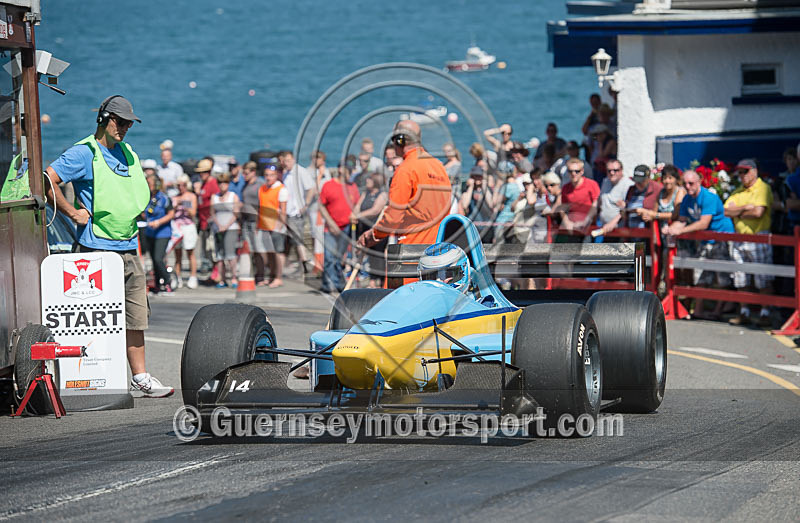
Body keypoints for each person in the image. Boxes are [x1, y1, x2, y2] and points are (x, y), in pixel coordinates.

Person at [44, 95, 173, 397]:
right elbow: (48, 179)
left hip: (128, 245)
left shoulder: (127, 152)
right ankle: (85, 378)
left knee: (135, 316)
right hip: (95, 250)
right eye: (120, 121)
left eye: (129, 123)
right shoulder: (84, 152)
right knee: (90, 318)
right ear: (104, 119)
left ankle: (140, 378)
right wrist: (73, 213)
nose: (125, 128)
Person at [358, 120, 452, 248]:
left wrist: (373, 235)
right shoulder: (438, 166)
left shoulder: (406, 169)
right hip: (439, 247)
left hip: (412, 249)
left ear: (399, 140)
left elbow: (393, 217)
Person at [665, 170, 735, 320]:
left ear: (699, 182)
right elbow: (681, 220)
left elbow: (704, 223)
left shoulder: (709, 197)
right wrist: (671, 228)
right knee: (700, 275)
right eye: (685, 184)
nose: (688, 186)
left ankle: (718, 310)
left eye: (691, 183)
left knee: (722, 276)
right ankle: (698, 310)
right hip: (705, 240)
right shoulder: (687, 200)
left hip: (720, 237)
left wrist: (680, 231)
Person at [724, 159, 774, 326]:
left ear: (754, 171)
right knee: (741, 277)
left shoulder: (763, 188)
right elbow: (726, 211)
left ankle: (765, 313)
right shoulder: (737, 191)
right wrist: (746, 208)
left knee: (763, 277)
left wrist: (737, 211)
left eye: (745, 172)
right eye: (740, 172)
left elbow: (758, 212)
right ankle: (744, 312)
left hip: (758, 236)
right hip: (740, 238)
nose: (742, 176)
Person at [319, 162, 361, 293]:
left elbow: (356, 204)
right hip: (331, 228)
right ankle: (328, 284)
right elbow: (321, 206)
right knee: (329, 257)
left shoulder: (352, 186)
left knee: (339, 259)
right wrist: (331, 223)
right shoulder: (329, 185)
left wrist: (355, 215)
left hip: (346, 227)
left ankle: (338, 283)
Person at [279, 150, 315, 275]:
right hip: (286, 211)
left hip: (296, 212)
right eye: (284, 161)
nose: (286, 163)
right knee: (288, 241)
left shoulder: (300, 172)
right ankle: (287, 266)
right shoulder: (286, 173)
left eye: (288, 161)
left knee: (297, 239)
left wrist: (305, 205)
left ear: (293, 159)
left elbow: (311, 188)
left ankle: (304, 264)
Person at [352, 172, 389, 288]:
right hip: (363, 228)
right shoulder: (366, 193)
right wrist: (354, 214)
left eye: (370, 180)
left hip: (377, 229)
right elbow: (358, 206)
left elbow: (375, 210)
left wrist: (359, 215)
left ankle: (378, 281)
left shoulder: (382, 195)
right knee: (363, 254)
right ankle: (369, 279)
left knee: (377, 255)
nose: (367, 181)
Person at [143, 172, 175, 294]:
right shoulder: (147, 198)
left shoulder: (164, 198)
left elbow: (171, 214)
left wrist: (159, 222)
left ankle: (167, 281)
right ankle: (157, 283)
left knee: (158, 258)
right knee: (152, 259)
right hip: (150, 233)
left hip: (162, 233)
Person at [257, 163, 288, 287]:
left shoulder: (281, 189)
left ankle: (278, 277)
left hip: (276, 226)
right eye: (266, 175)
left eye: (271, 175)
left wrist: (280, 225)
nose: (268, 177)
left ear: (276, 176)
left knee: (278, 252)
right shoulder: (263, 188)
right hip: (264, 225)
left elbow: (283, 210)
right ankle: (271, 275)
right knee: (269, 252)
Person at [210, 173, 241, 288]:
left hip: (231, 228)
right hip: (218, 229)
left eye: (225, 182)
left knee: (230, 254)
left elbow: (236, 214)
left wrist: (226, 226)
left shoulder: (233, 196)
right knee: (219, 255)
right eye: (220, 183)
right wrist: (219, 225)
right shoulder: (215, 197)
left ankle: (233, 277)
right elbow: (212, 213)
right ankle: (221, 279)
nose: (222, 185)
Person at [558, 158, 600, 241]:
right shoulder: (566, 188)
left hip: (588, 228)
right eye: (570, 171)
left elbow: (596, 204)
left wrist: (586, 221)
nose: (573, 174)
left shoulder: (592, 184)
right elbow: (563, 208)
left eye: (576, 171)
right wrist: (567, 223)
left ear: (582, 171)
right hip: (573, 229)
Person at [240, 161, 267, 284]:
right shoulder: (245, 185)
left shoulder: (260, 184)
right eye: (243, 173)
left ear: (253, 172)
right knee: (249, 249)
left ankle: (262, 274)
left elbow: (263, 204)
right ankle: (254, 273)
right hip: (246, 220)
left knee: (259, 249)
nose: (244, 175)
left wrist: (259, 222)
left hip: (256, 220)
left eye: (246, 173)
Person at [171, 174, 198, 289]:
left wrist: (185, 206)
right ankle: (178, 277)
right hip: (177, 227)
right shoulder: (174, 197)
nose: (180, 187)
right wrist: (176, 207)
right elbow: (171, 214)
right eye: (178, 185)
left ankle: (193, 276)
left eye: (183, 185)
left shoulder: (191, 196)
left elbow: (193, 213)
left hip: (188, 226)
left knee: (190, 252)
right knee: (177, 254)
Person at [595, 159, 634, 237]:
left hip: (620, 232)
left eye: (615, 170)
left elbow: (627, 209)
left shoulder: (629, 185)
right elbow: (600, 202)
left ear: (621, 170)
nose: (612, 173)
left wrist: (612, 223)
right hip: (605, 230)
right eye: (609, 171)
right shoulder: (605, 181)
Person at [194, 158, 219, 274]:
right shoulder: (202, 185)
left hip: (210, 221)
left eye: (203, 172)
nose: (201, 175)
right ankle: (211, 271)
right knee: (206, 248)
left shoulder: (213, 184)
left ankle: (216, 272)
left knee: (212, 248)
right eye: (199, 173)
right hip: (203, 221)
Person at [460, 166, 495, 242]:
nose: (477, 179)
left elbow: (491, 204)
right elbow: (465, 205)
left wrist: (484, 187)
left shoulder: (487, 190)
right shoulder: (467, 190)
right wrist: (471, 187)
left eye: (479, 176)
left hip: (487, 227)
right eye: (475, 176)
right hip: (473, 227)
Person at [623, 164, 663, 229]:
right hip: (631, 231)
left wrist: (647, 213)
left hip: (649, 231)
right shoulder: (631, 189)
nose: (638, 184)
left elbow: (664, 210)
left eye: (641, 181)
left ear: (648, 178)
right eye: (636, 181)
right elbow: (627, 206)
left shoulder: (657, 189)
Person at [493, 161, 521, 243]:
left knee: (497, 244)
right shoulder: (516, 185)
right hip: (513, 219)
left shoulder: (507, 187)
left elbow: (495, 202)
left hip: (503, 220)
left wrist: (497, 186)